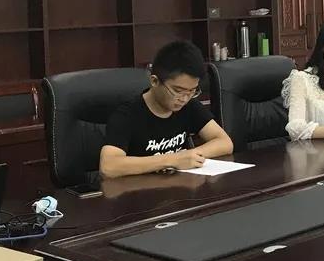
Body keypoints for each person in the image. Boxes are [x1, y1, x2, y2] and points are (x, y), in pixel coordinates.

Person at [99, 41, 234, 178]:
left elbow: (225, 142)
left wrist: (190, 156)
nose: (184, 99)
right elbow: (108, 167)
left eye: (192, 91)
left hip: (179, 185)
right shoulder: (127, 114)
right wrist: (172, 160)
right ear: (154, 81)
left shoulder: (188, 106)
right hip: (139, 188)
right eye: (178, 91)